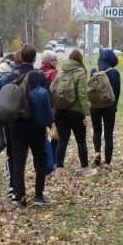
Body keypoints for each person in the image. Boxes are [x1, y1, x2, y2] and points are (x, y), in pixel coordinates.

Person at [0, 44, 53, 207]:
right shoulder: (39, 77)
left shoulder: (8, 77)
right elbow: (50, 100)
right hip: (36, 124)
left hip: (15, 125)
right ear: (33, 59)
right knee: (40, 158)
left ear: (20, 58)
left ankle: (20, 197)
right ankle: (39, 196)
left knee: (18, 160)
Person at [54, 49, 97, 177]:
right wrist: (86, 114)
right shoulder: (80, 73)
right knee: (81, 141)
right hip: (75, 112)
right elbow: (82, 96)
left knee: (62, 141)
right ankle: (85, 169)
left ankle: (59, 170)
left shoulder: (61, 71)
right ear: (80, 59)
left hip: (59, 111)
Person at [90, 49, 121, 169]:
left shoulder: (94, 71)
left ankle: (97, 153)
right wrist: (113, 106)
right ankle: (108, 163)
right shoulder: (115, 73)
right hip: (109, 108)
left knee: (97, 131)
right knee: (108, 135)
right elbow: (117, 93)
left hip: (95, 107)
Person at [38, 50, 58, 164]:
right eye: (56, 61)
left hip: (38, 108)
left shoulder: (37, 71)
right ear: (50, 61)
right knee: (56, 134)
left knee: (42, 134)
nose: (57, 63)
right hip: (51, 108)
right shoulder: (53, 73)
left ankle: (43, 158)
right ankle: (53, 159)